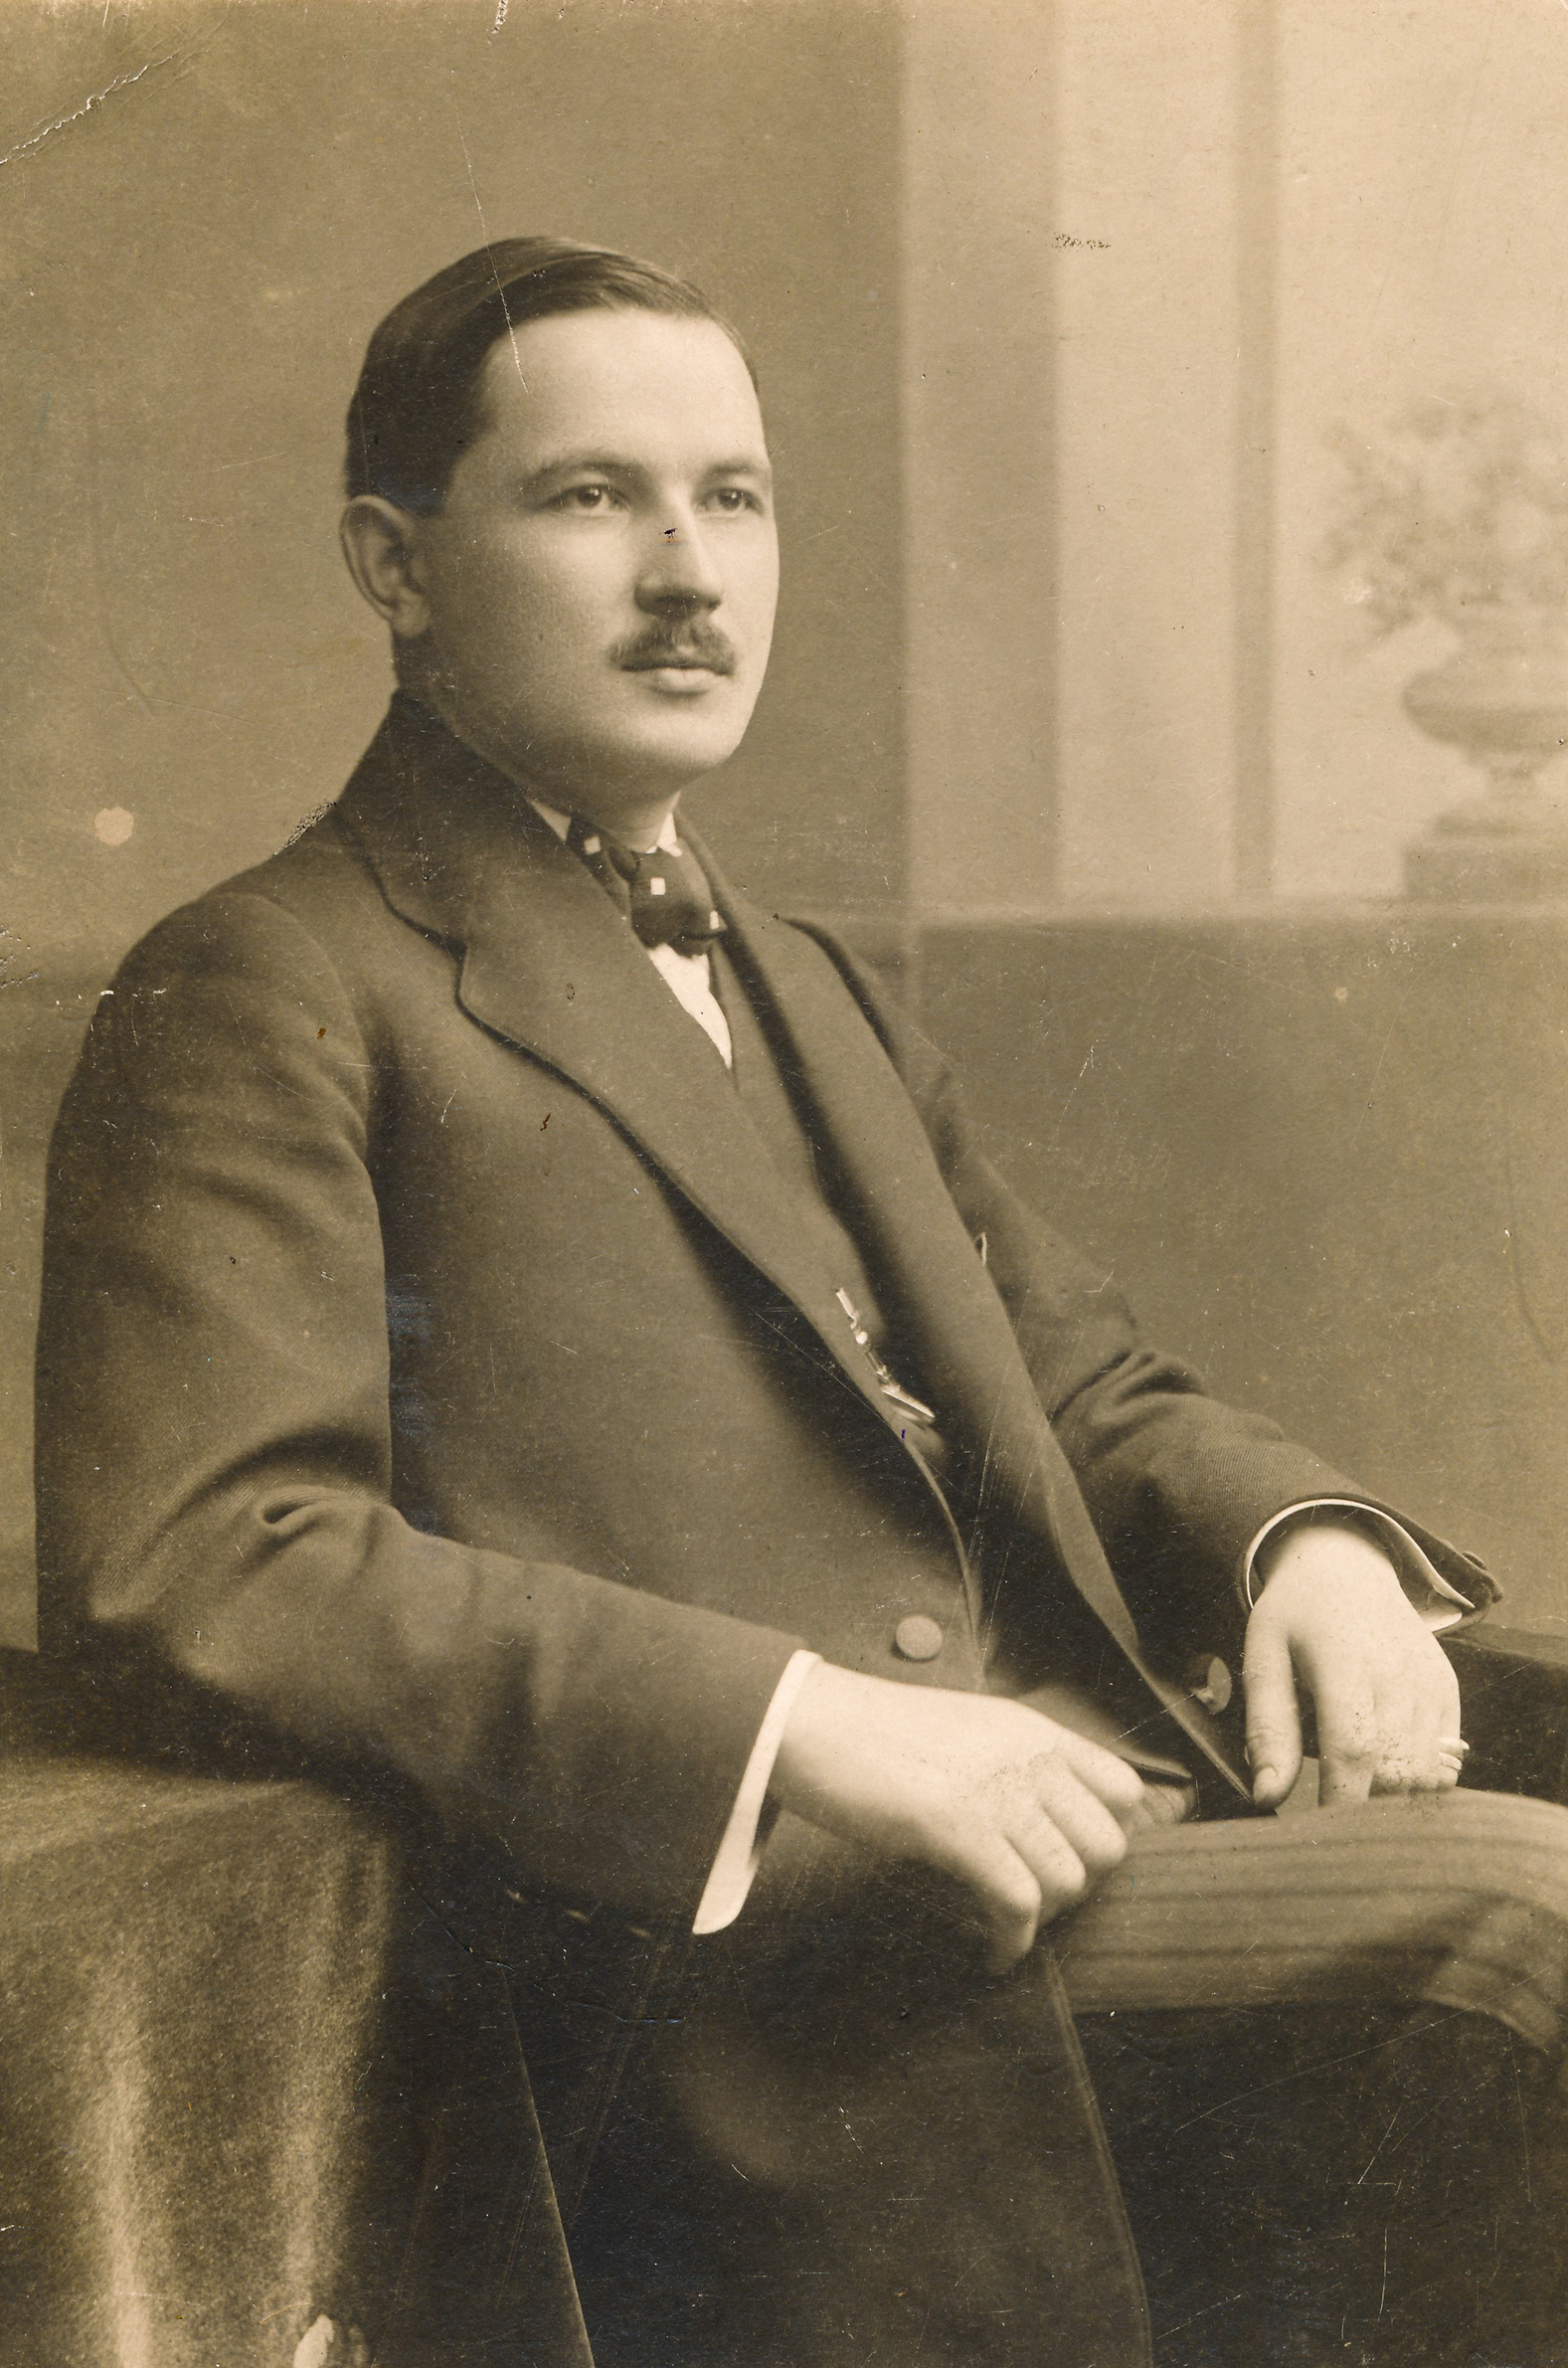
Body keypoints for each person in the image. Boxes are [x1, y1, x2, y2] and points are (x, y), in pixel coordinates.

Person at [33, 240, 1568, 2368]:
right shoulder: (267, 980)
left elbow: (1081, 1382)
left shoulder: (807, 982)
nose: (690, 576)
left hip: (1078, 1831)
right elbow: (206, 1555)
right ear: (394, 563)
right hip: (755, 1972)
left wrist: (1298, 1538)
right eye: (593, 497)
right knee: (1526, 1932)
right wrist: (799, 1720)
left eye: (732, 498)